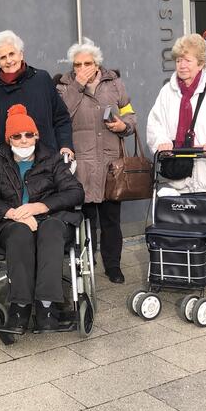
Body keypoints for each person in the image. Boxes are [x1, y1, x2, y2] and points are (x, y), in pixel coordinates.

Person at [0, 104, 85, 333]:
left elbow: (75, 192)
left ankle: (46, 308)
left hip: (49, 218)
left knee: (52, 231)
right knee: (20, 234)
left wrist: (39, 206)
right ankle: (20, 307)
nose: (23, 140)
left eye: (28, 134)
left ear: (36, 135)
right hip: (10, 222)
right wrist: (13, 213)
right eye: (16, 136)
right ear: (8, 139)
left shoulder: (52, 159)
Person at [146, 33, 206, 282]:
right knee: (181, 225)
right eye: (178, 61)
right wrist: (160, 142)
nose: (182, 65)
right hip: (179, 172)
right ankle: (183, 270)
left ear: (201, 63)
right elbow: (154, 123)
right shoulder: (168, 91)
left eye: (187, 60)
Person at [57, 39, 137, 284]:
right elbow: (59, 116)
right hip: (81, 165)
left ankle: (113, 266)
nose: (83, 68)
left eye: (88, 63)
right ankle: (86, 263)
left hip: (110, 164)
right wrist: (78, 86)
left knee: (112, 220)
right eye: (78, 64)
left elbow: (130, 113)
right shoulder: (64, 86)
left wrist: (125, 125)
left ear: (97, 63)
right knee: (85, 219)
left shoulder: (114, 83)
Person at [0, 30, 73, 159]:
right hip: (10, 167)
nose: (9, 60)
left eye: (12, 54)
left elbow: (61, 118)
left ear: (21, 54)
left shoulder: (42, 79)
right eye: (2, 57)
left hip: (47, 162)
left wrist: (65, 145)